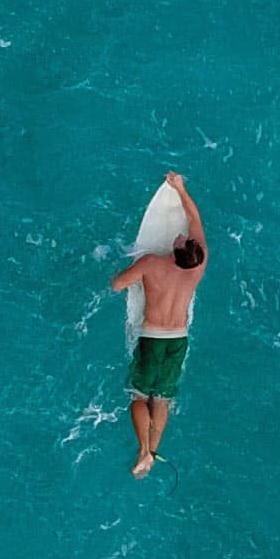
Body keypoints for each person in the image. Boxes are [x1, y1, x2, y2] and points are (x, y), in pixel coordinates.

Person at [108, 171, 206, 479]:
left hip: (152, 338)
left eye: (181, 240)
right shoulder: (198, 264)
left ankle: (142, 450)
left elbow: (116, 285)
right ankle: (152, 452)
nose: (181, 235)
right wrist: (181, 188)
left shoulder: (152, 263)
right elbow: (194, 220)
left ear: (176, 253)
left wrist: (129, 275)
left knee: (139, 396)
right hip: (179, 339)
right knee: (162, 398)